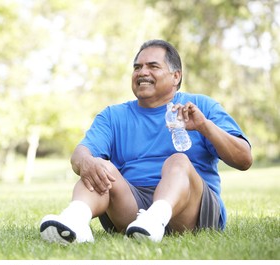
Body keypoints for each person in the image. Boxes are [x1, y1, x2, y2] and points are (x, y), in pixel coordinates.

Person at [39, 39, 253, 245]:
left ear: (175, 76)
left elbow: (244, 159)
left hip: (191, 209)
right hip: (133, 208)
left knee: (178, 160)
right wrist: (86, 162)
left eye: (153, 66)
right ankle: (75, 222)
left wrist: (205, 127)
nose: (142, 72)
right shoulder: (113, 115)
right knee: (98, 166)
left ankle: (156, 218)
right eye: (137, 67)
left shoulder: (201, 106)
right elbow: (80, 154)